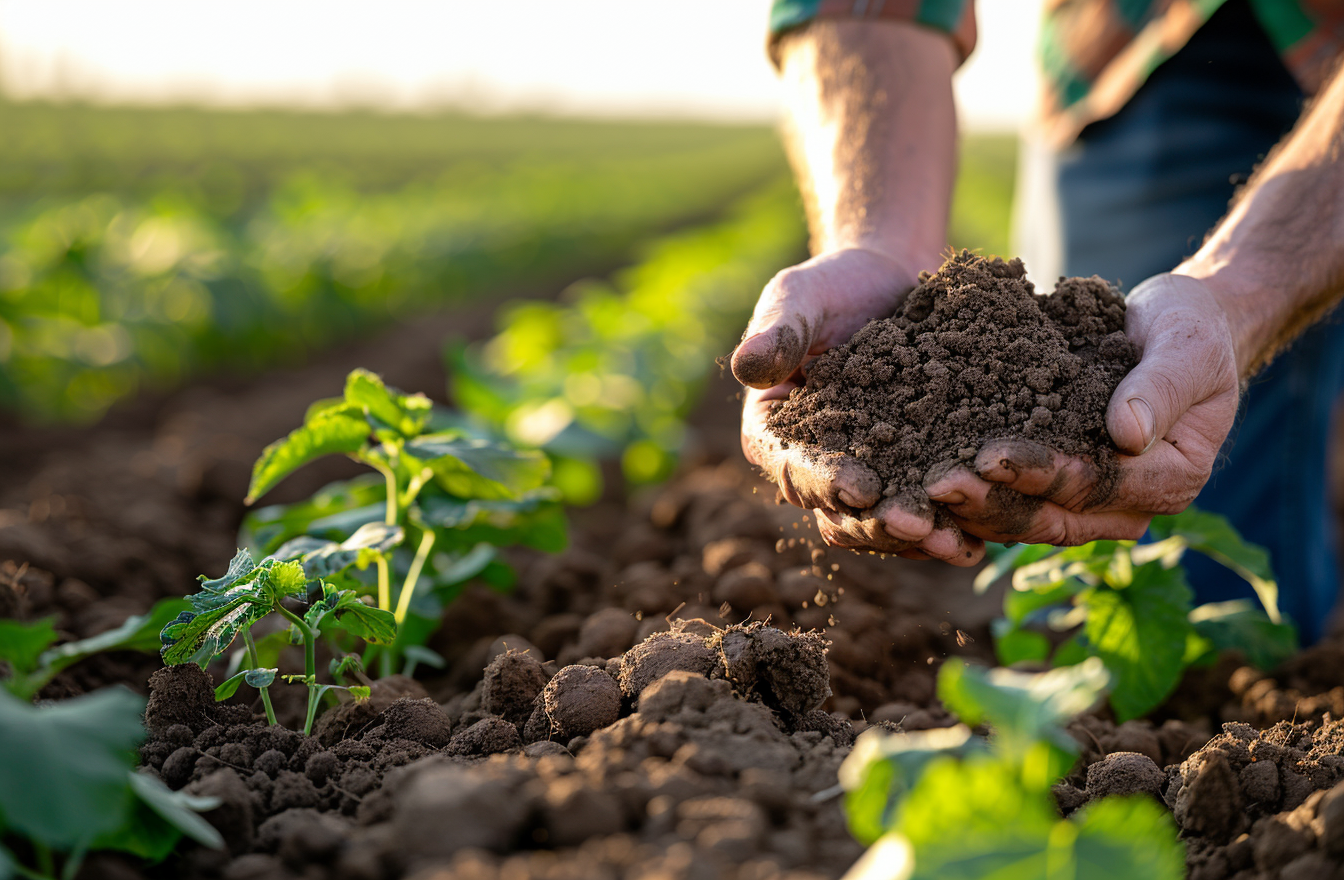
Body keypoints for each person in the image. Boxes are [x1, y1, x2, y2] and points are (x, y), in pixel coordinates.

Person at [731, 0, 1344, 642]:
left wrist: (1237, 294)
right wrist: (876, 239)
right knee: (1078, 519)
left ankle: (1238, 713)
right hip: (1129, 47)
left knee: (1205, 576)